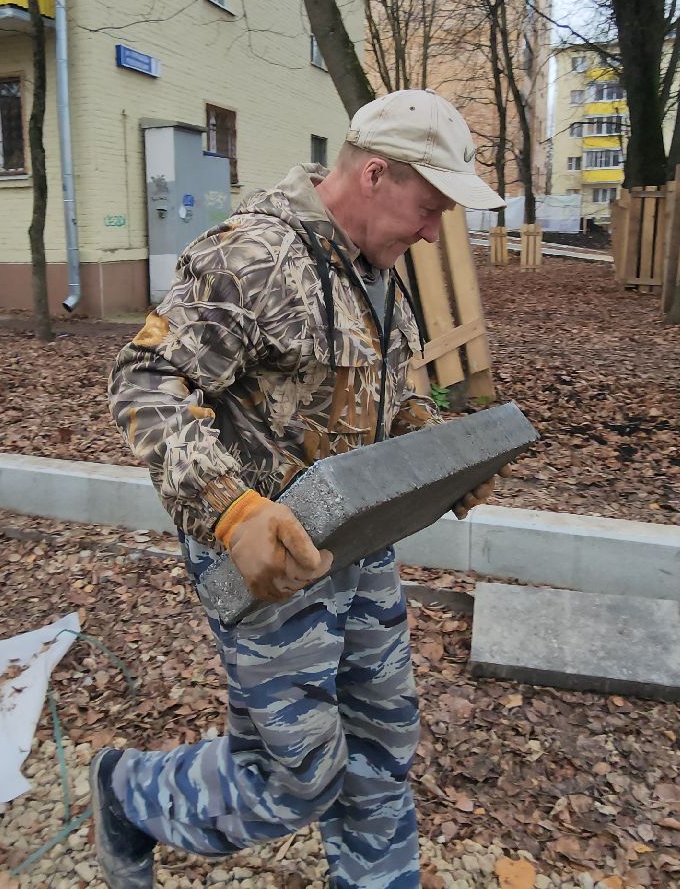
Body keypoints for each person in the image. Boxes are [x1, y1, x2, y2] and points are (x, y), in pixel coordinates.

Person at [97, 90, 507, 888]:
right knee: (296, 779)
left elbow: (383, 393)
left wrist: (440, 452)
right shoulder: (255, 256)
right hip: (269, 562)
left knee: (383, 747)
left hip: (359, 542)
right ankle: (128, 793)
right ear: (375, 175)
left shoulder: (378, 270)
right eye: (427, 208)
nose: (433, 232)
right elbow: (143, 381)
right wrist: (230, 509)